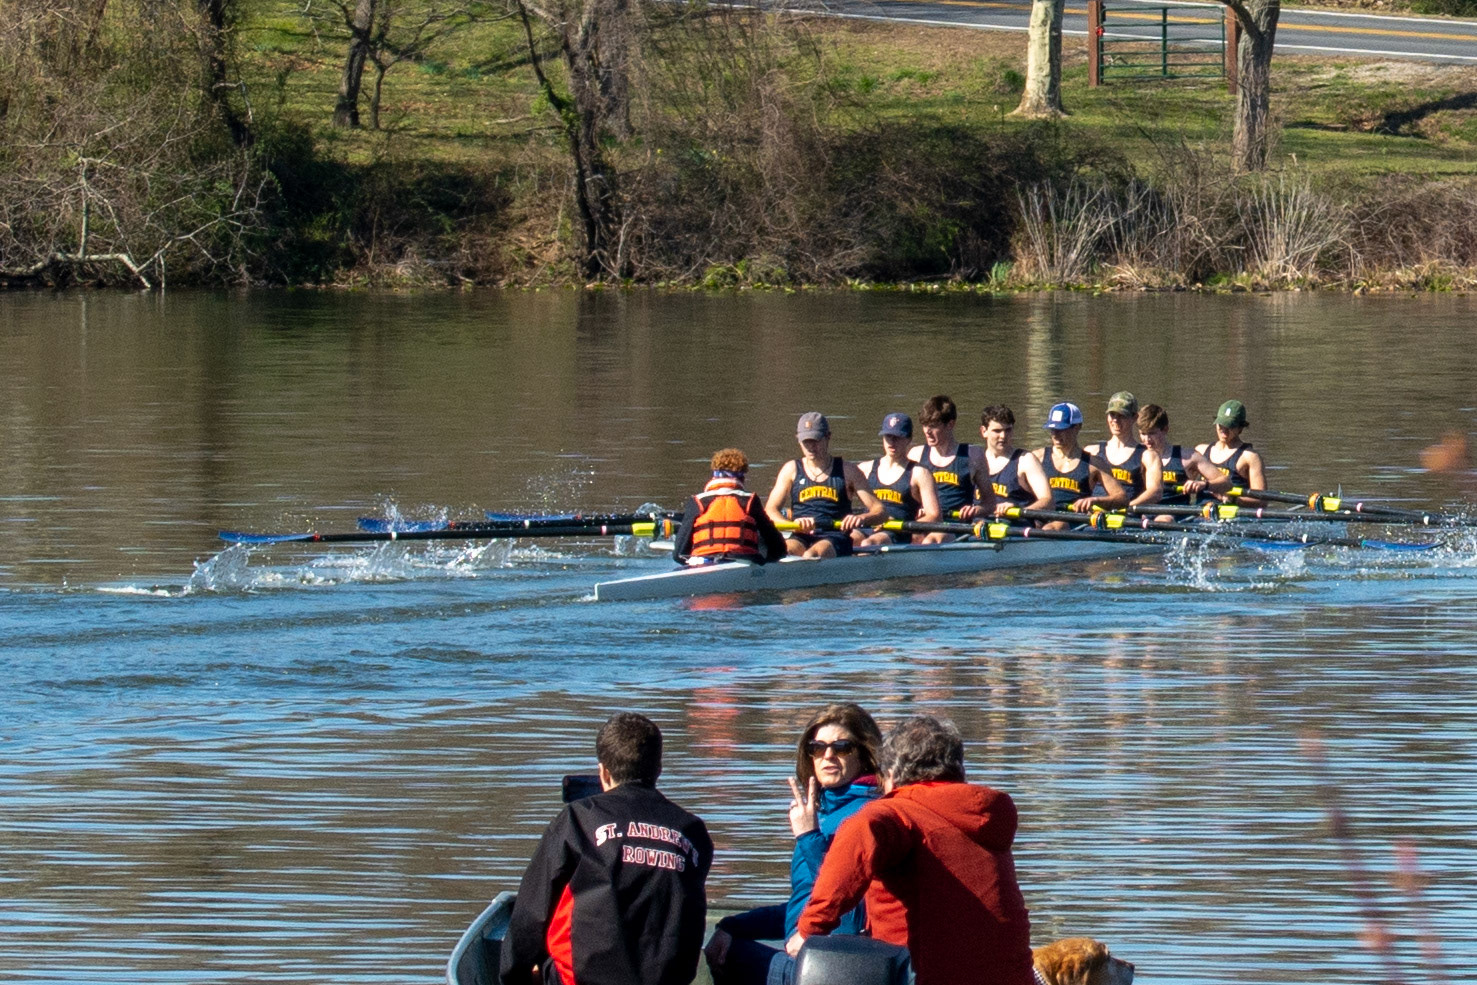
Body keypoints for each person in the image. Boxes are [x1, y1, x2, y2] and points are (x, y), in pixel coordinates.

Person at [791, 716, 1034, 985]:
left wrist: (808, 930)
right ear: (958, 769)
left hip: (924, 978)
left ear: (892, 774)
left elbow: (862, 831)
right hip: (1014, 979)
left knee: (764, 962)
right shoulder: (986, 814)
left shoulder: (896, 814)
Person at [500, 713, 713, 985]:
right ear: (658, 769)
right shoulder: (692, 832)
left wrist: (512, 976)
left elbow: (531, 914)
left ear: (603, 772)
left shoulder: (578, 820)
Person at [703, 704, 883, 985]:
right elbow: (808, 901)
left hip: (837, 966)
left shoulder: (868, 816)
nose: (828, 756)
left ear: (864, 754)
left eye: (842, 747)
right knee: (725, 939)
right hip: (811, 954)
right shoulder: (827, 814)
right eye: (817, 748)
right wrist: (734, 925)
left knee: (720, 956)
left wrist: (809, 837)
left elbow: (850, 907)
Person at [765, 412, 887, 558]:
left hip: (836, 536)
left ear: (828, 437)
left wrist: (862, 518)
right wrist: (791, 525)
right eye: (806, 441)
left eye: (815, 440)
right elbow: (770, 510)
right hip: (800, 535)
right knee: (783, 552)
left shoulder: (848, 471)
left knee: (811, 555)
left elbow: (881, 511)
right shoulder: (790, 469)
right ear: (798, 439)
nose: (810, 447)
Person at [673, 448, 787, 566]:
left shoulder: (697, 501)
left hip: (702, 564)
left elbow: (678, 554)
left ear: (714, 476)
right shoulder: (750, 501)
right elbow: (779, 548)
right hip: (744, 562)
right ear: (742, 478)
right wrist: (765, 563)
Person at [907, 395, 997, 543]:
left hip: (956, 526)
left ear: (950, 424)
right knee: (914, 537)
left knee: (932, 540)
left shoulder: (973, 455)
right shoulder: (915, 454)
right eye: (925, 425)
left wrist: (976, 510)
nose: (927, 431)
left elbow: (990, 503)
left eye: (933, 426)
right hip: (925, 522)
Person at [1032, 402, 1128, 529]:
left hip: (1074, 519)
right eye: (1052, 429)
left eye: (1061, 429)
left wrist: (1095, 501)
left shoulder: (1094, 464)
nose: (1055, 435)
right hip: (1042, 515)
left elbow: (1122, 498)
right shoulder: (1036, 458)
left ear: (1077, 427)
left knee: (1051, 528)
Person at [856, 413, 941, 547]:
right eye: (888, 436)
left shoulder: (920, 473)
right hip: (868, 524)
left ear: (908, 439)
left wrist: (904, 527)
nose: (892, 442)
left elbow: (934, 515)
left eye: (898, 437)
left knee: (868, 543)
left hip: (899, 531)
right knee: (851, 539)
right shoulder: (865, 469)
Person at [1136, 404, 1233, 509]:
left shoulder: (1188, 457)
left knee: (1164, 517)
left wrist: (1203, 484)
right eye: (1143, 434)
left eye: (1152, 433)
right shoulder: (1134, 455)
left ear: (1165, 429)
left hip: (1175, 513)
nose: (1147, 440)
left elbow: (1227, 482)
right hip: (1142, 510)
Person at [1083, 391, 1163, 508]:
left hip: (1129, 514)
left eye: (1121, 415)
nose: (1115, 420)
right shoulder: (1092, 451)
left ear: (1134, 418)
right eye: (1112, 415)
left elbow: (1155, 492)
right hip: (1095, 514)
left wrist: (1126, 507)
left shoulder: (1148, 455)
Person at [979, 405, 1052, 518]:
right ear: (984, 431)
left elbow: (1048, 501)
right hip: (979, 525)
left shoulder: (1026, 460)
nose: (1003, 436)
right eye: (997, 431)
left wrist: (1019, 510)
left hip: (1016, 524)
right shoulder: (974, 460)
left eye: (1008, 430)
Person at [1195, 399, 1267, 506]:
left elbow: (1262, 501)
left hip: (1232, 512)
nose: (1224, 429)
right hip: (1200, 512)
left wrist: (1234, 500)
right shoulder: (1200, 451)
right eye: (1221, 424)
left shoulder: (1250, 457)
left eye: (1230, 425)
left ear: (1240, 428)